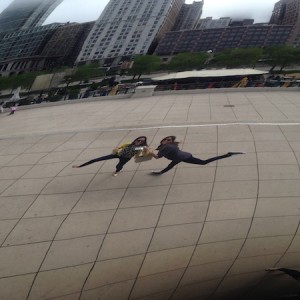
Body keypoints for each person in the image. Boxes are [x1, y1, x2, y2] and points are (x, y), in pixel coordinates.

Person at [148, 136, 244, 175]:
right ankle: (160, 172)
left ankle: (228, 155)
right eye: (166, 139)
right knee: (170, 165)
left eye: (168, 140)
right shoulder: (168, 145)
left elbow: (157, 157)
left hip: (183, 157)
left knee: (203, 162)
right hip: (182, 156)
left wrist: (149, 152)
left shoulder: (167, 147)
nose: (166, 140)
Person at [72, 136, 148, 176]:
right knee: (96, 159)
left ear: (143, 143)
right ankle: (80, 166)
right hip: (117, 154)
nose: (139, 142)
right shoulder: (128, 144)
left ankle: (117, 171)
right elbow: (119, 147)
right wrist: (116, 149)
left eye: (141, 141)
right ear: (135, 140)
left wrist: (144, 152)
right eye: (138, 140)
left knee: (118, 166)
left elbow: (137, 156)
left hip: (125, 158)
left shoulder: (140, 148)